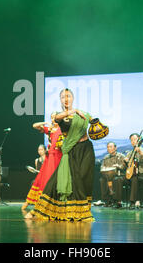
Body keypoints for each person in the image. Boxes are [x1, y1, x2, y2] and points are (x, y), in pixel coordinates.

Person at [25, 88, 96, 221]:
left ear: (73, 98)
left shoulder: (84, 114)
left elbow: (94, 124)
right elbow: (57, 118)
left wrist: (97, 124)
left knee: (85, 178)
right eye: (63, 97)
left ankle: (83, 210)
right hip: (71, 151)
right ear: (60, 100)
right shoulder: (60, 115)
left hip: (86, 149)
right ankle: (38, 210)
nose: (66, 99)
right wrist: (74, 111)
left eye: (68, 96)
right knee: (61, 180)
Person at [22, 113, 63, 210]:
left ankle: (54, 203)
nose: (53, 119)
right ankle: (34, 201)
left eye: (55, 117)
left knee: (56, 179)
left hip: (59, 156)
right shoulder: (50, 129)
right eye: (52, 117)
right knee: (43, 178)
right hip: (50, 157)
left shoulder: (63, 129)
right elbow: (35, 125)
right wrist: (45, 122)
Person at [113, 134, 143, 209]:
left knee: (135, 178)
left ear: (139, 139)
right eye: (131, 140)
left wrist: (141, 153)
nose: (133, 141)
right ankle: (118, 202)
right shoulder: (130, 153)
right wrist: (124, 162)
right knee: (118, 179)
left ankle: (132, 202)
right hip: (130, 175)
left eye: (135, 139)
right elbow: (124, 167)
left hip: (142, 174)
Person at [94, 142, 126, 207]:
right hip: (108, 175)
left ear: (115, 148)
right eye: (108, 147)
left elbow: (124, 167)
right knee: (102, 180)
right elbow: (102, 167)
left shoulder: (121, 156)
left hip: (119, 175)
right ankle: (107, 200)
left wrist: (118, 166)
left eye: (110, 147)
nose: (109, 148)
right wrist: (104, 168)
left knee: (116, 179)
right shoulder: (106, 157)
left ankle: (117, 201)